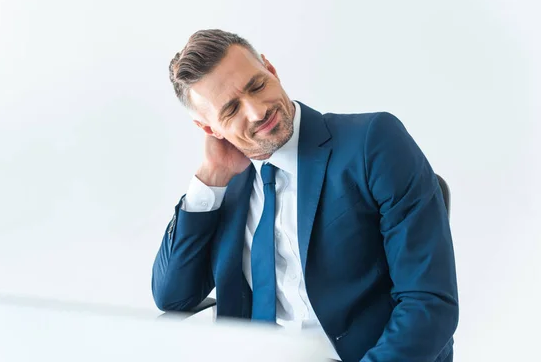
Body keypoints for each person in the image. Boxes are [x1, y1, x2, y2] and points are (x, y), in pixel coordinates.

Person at [151, 29, 459, 362]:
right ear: (209, 129)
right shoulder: (226, 189)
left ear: (271, 70)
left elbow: (428, 303)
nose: (257, 112)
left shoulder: (372, 143)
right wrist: (210, 178)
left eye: (257, 85)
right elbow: (173, 298)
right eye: (231, 110)